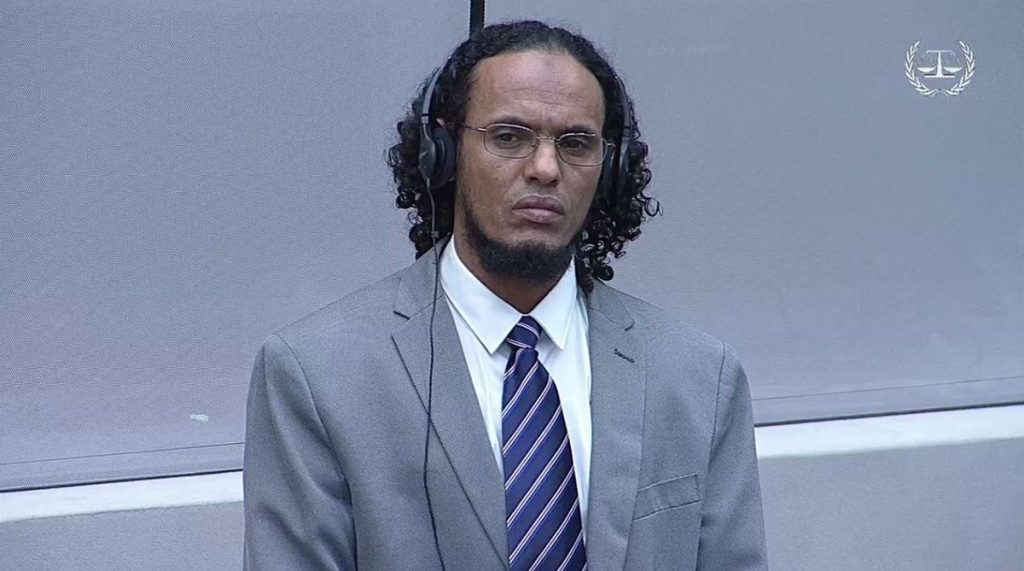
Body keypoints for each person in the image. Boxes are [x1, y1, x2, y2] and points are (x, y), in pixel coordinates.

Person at [243, 20, 768, 570]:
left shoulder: (699, 377)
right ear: (444, 152)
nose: (545, 168)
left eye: (575, 144)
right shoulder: (317, 376)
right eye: (509, 137)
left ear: (610, 168)